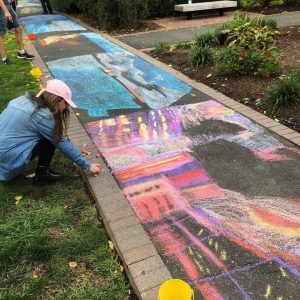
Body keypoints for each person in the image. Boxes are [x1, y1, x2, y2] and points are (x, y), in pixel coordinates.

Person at [0, 79, 101, 183]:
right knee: (51, 139)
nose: (67, 107)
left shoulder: (21, 100)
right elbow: (60, 141)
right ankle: (42, 175)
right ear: (57, 100)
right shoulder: (43, 116)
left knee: (49, 135)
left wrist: (73, 149)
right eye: (66, 103)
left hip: (3, 152)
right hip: (8, 161)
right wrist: (87, 165)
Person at [0, 0, 35, 65]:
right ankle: (4, 58)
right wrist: (6, 11)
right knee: (1, 33)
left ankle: (21, 53)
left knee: (18, 28)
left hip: (7, 4)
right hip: (1, 7)